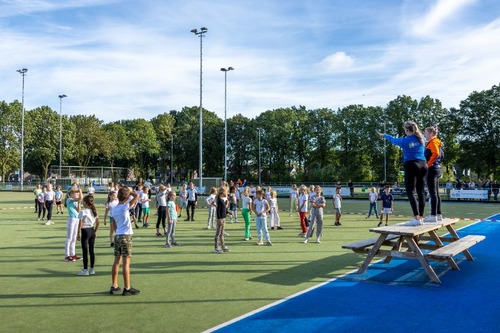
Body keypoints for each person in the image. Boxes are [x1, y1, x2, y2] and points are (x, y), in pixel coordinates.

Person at [380, 121, 427, 226]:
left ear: (406, 130)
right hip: (423, 165)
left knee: (410, 191)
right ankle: (421, 217)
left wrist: (385, 135)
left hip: (412, 165)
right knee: (421, 192)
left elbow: (393, 140)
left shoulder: (405, 141)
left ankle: (416, 217)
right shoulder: (421, 138)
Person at [110, 186, 140, 296]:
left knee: (116, 261)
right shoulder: (125, 206)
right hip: (126, 236)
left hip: (117, 235)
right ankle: (127, 288)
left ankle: (114, 286)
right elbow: (137, 195)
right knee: (126, 263)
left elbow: (113, 224)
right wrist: (131, 191)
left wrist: (117, 231)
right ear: (127, 197)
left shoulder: (114, 208)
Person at [423, 126, 444, 222]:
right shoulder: (438, 143)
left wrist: (428, 164)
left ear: (431, 133)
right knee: (436, 193)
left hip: (432, 170)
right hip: (437, 168)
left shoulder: (433, 142)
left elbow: (435, 154)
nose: (424, 135)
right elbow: (441, 156)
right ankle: (438, 214)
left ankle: (433, 215)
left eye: (426, 133)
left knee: (433, 193)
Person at [76, 195, 99, 276]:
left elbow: (80, 223)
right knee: (92, 250)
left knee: (85, 251)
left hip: (85, 231)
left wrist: (78, 233)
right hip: (92, 230)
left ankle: (85, 270)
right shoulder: (94, 210)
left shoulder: (83, 211)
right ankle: (92, 269)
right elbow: (97, 222)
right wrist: (95, 232)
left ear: (85, 203)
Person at [64, 188, 82, 262]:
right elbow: (80, 198)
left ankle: (73, 255)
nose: (76, 194)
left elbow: (79, 210)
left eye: (77, 193)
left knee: (74, 238)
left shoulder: (75, 201)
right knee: (69, 238)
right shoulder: (69, 199)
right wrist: (80, 192)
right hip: (71, 219)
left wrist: (79, 203)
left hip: (77, 219)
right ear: (70, 194)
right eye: (75, 192)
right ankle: (67, 256)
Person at [214, 187, 231, 253]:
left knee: (222, 234)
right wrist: (219, 219)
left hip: (223, 218)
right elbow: (218, 211)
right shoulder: (219, 200)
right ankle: (216, 248)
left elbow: (223, 210)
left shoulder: (222, 200)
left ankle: (223, 246)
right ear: (222, 192)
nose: (226, 193)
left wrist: (228, 212)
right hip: (220, 219)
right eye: (226, 192)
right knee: (218, 234)